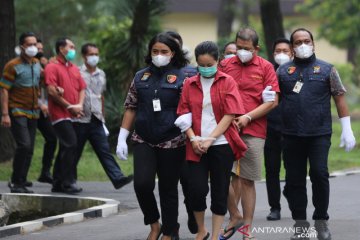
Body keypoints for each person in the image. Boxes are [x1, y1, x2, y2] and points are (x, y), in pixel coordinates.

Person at [277, 28, 356, 240]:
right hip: (291, 134)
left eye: (306, 41)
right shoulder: (283, 72)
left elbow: (339, 98)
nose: (303, 45)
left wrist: (347, 130)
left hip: (319, 133)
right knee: (294, 180)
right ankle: (300, 224)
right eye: (298, 42)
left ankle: (321, 221)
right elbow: (273, 100)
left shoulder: (327, 69)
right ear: (292, 48)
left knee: (319, 174)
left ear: (313, 43)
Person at [116, 32, 188, 240]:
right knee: (142, 184)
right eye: (155, 51)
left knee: (168, 187)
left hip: (172, 140)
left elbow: (189, 108)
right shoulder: (140, 77)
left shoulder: (183, 77)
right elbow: (130, 107)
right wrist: (122, 137)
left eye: (164, 51)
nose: (159, 55)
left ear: (173, 53)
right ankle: (154, 224)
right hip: (144, 138)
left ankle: (170, 231)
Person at [176, 41, 247, 240]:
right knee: (196, 190)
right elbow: (183, 115)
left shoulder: (227, 82)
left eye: (210, 64)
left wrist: (210, 140)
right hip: (196, 145)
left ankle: (215, 235)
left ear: (217, 61)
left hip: (221, 144)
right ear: (196, 63)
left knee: (220, 189)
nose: (206, 68)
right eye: (202, 65)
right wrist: (193, 139)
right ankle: (202, 230)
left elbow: (230, 114)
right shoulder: (189, 84)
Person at [218, 27, 279, 239]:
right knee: (219, 174)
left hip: (253, 129)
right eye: (239, 48)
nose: (242, 52)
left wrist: (247, 117)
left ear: (257, 48)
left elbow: (272, 101)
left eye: (247, 49)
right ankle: (235, 215)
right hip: (224, 128)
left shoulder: (266, 67)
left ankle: (247, 228)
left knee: (247, 180)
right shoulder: (225, 64)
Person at [72, 43, 133, 190]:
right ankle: (67, 181)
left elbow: (101, 96)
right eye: (91, 54)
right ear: (84, 56)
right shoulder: (76, 73)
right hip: (80, 119)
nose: (94, 57)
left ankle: (118, 178)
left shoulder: (101, 73)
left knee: (104, 150)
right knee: (74, 152)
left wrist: (103, 117)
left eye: (96, 54)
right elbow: (73, 93)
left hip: (97, 119)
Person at [165, 30, 198, 234]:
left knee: (191, 184)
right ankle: (171, 228)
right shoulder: (152, 73)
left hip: (188, 138)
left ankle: (194, 217)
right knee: (168, 187)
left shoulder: (192, 72)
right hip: (164, 139)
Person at [0, 32, 41, 193]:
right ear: (22, 46)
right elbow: (4, 90)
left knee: (29, 148)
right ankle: (16, 181)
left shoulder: (37, 63)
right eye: (29, 44)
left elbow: (41, 82)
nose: (33, 47)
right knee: (24, 145)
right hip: (17, 110)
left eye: (34, 44)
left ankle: (21, 181)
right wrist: (5, 114)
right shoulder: (13, 65)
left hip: (34, 111)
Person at [44, 37, 86, 194]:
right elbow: (51, 92)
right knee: (71, 144)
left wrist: (79, 105)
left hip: (74, 113)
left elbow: (82, 87)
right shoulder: (52, 67)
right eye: (71, 47)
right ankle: (68, 182)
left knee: (65, 146)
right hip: (60, 114)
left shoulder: (74, 68)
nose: (74, 49)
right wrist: (69, 106)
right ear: (61, 49)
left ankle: (57, 182)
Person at [264, 38, 293, 221]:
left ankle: (290, 189)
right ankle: (274, 207)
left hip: (292, 129)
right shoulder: (267, 72)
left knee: (292, 168)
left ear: (292, 53)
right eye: (277, 51)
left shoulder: (299, 72)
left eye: (285, 50)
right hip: (270, 127)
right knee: (272, 169)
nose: (281, 54)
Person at [35, 38, 57, 184]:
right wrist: (38, 104)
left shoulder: (42, 65)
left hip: (43, 111)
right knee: (26, 144)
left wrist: (48, 67)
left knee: (52, 138)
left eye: (41, 48)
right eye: (37, 47)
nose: (40, 50)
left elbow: (46, 85)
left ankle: (45, 172)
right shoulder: (23, 65)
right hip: (28, 109)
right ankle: (18, 179)